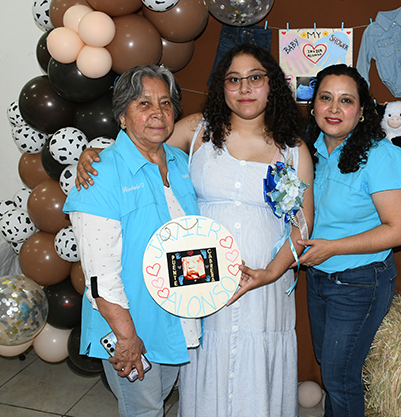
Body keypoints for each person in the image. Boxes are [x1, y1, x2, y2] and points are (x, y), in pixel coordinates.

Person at [76, 44, 314, 417]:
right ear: (221, 87)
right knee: (196, 375)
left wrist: (270, 272)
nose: (245, 88)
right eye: (234, 79)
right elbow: (139, 147)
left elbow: (303, 225)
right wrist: (95, 155)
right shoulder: (197, 129)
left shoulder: (294, 149)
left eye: (255, 78)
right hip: (200, 287)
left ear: (273, 84)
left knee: (253, 371)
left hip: (263, 289)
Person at [63, 65, 202, 417]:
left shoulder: (180, 162)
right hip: (130, 323)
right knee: (144, 411)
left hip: (174, 318)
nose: (158, 112)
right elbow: (100, 274)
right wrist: (126, 337)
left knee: (158, 402)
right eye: (143, 103)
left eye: (166, 103)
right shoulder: (100, 174)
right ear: (122, 116)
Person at [298, 64, 401, 417]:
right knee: (330, 366)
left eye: (346, 100)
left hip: (360, 281)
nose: (334, 108)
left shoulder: (382, 155)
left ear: (362, 111)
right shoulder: (308, 152)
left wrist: (333, 247)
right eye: (326, 98)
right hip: (318, 278)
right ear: (313, 105)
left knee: (340, 377)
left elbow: (400, 230)